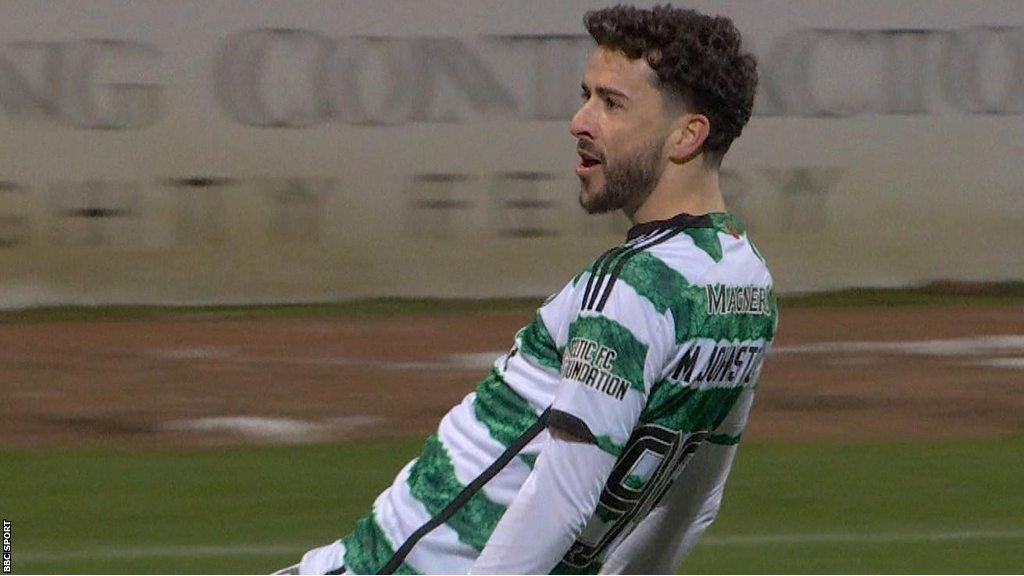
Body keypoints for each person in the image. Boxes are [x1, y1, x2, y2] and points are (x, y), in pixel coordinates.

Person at [283, 4, 776, 574]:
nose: (579, 121)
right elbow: (693, 505)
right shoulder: (747, 283)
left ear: (687, 134)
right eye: (586, 94)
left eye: (611, 103)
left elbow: (558, 501)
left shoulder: (633, 287)